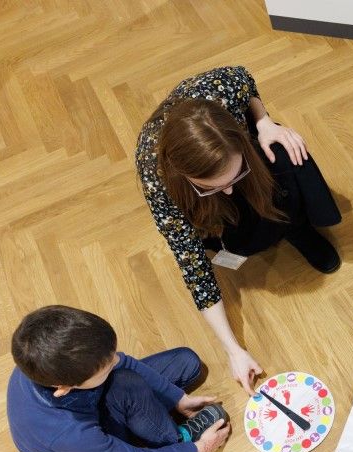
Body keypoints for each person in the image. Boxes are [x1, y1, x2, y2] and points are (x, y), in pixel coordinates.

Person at [136, 65, 342, 395]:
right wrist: (234, 350)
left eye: (234, 176)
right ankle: (244, 216)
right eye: (214, 185)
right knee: (234, 225)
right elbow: (195, 271)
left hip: (245, 151)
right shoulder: (158, 183)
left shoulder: (222, 90)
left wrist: (264, 123)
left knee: (284, 153)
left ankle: (296, 227)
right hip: (202, 209)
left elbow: (245, 80)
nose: (230, 190)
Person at [7, 305, 230, 452]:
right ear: (64, 388)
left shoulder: (42, 361)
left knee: (187, 363)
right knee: (127, 385)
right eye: (106, 367)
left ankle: (123, 441)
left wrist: (178, 398)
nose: (118, 360)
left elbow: (123, 362)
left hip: (87, 408)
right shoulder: (68, 432)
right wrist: (197, 451)